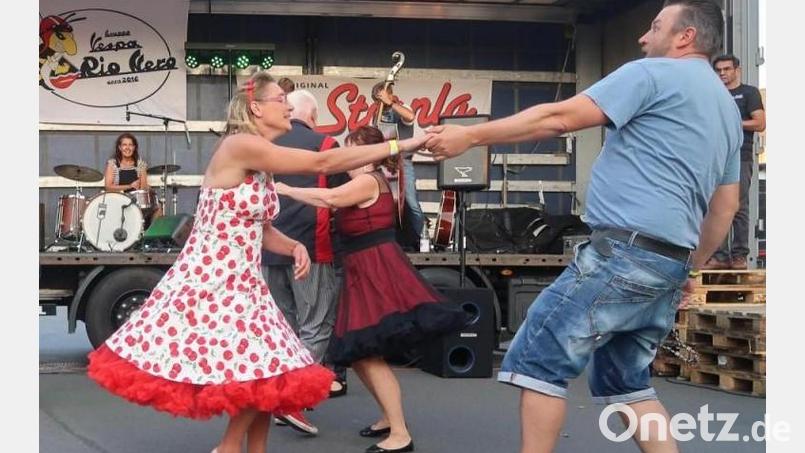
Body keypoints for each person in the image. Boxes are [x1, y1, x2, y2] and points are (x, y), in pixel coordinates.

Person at [424, 1, 742, 452]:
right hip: (667, 262)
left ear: (685, 37)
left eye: (654, 27)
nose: (642, 37)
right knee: (628, 384)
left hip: (622, 254)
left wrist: (470, 135)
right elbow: (726, 206)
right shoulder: (727, 109)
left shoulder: (649, 75)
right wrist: (689, 270)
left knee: (538, 362)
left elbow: (557, 118)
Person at [87, 72, 430, 453]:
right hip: (213, 281)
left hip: (244, 283)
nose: (287, 106)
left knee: (270, 372)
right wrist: (404, 143)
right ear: (256, 107)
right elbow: (324, 161)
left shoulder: (259, 162)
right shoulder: (239, 145)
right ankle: (229, 448)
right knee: (266, 369)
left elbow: (260, 228)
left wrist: (294, 247)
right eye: (280, 99)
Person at [276, 125, 469, 453]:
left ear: (367, 155)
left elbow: (331, 198)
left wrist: (286, 189)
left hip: (374, 269)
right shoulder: (370, 179)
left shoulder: (366, 181)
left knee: (368, 353)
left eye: (352, 150)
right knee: (364, 354)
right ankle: (388, 419)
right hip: (365, 268)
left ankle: (400, 434)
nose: (347, 158)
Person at [261, 89, 348, 435]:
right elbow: (339, 200)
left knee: (283, 328)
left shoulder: (266, 143)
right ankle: (291, 401)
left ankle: (277, 394)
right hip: (313, 248)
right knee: (316, 325)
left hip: (269, 249)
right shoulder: (326, 145)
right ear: (312, 116)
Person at [703, 54, 766, 270]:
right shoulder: (712, 94)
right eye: (719, 70)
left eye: (727, 69)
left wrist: (732, 123)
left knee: (738, 206)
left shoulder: (749, 92)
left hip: (741, 155)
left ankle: (739, 255)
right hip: (715, 156)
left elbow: (759, 123)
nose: (722, 74)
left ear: (737, 70)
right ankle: (718, 256)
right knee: (714, 205)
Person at [371, 82, 425, 249]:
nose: (380, 102)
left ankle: (418, 240)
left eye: (382, 97)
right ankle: (393, 241)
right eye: (377, 100)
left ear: (391, 94)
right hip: (385, 164)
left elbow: (410, 117)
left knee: (411, 202)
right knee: (388, 204)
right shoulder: (378, 115)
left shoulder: (401, 107)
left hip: (403, 163)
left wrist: (391, 104)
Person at [104, 133, 163, 222]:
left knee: (158, 208)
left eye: (130, 145)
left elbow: (143, 188)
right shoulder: (112, 164)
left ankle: (150, 235)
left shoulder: (140, 164)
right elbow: (108, 187)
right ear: (119, 147)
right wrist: (129, 186)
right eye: (124, 145)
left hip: (136, 202)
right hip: (119, 201)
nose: (127, 148)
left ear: (134, 147)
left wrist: (147, 188)